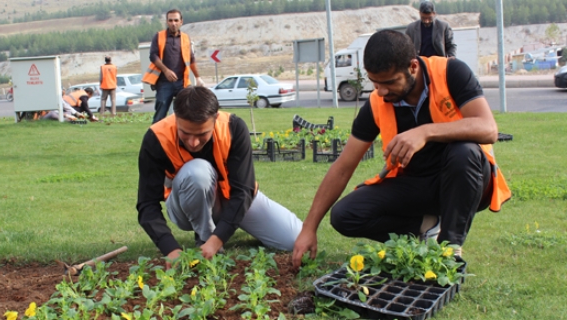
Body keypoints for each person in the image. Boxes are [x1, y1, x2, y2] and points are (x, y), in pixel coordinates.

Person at [291, 30, 511, 269]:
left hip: (465, 181)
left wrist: (425, 131)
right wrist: (309, 228)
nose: (382, 91)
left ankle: (449, 250)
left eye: (389, 82)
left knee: (464, 151)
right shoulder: (377, 102)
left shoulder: (451, 73)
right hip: (417, 184)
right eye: (375, 83)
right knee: (345, 214)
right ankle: (427, 225)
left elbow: (488, 128)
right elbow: (343, 167)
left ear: (413, 66)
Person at [137, 86, 302, 266]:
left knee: (294, 239)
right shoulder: (156, 137)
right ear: (176, 118)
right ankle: (204, 237)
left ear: (215, 118)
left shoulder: (234, 128)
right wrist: (170, 248)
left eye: (201, 134)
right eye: (185, 133)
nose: (193, 142)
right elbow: (147, 204)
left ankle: (218, 231)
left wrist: (218, 239)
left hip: (232, 201)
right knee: (198, 172)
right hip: (184, 208)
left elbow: (243, 191)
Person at [142, 9, 204, 124]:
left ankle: (185, 137)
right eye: (170, 20)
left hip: (182, 82)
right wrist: (166, 71)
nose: (173, 23)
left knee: (190, 109)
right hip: (164, 83)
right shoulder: (159, 36)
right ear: (166, 22)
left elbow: (191, 58)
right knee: (160, 113)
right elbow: (153, 56)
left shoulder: (186, 38)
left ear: (181, 22)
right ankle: (154, 139)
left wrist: (198, 78)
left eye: (176, 20)